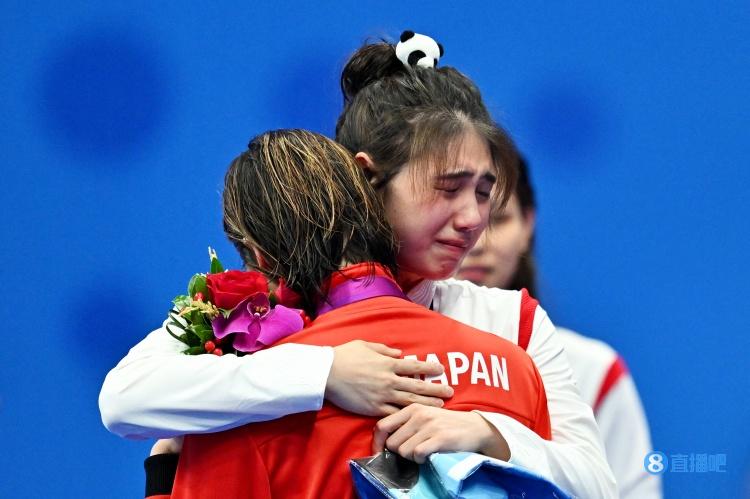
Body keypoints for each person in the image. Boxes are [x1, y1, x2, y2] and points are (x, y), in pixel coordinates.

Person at [100, 33, 616, 498]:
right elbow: (123, 401)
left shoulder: (513, 322)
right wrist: (325, 372)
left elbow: (598, 485)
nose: (472, 218)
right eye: (449, 188)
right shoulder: (256, 311)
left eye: (485, 193)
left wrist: (488, 434)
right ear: (367, 177)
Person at [165, 129, 552, 497]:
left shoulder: (234, 413)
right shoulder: (517, 369)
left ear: (262, 258)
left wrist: (163, 473)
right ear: (374, 212)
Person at [457, 157, 662, 498]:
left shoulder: (595, 370)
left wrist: (493, 436)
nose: (479, 241)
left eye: (499, 219)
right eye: (459, 217)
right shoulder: (388, 356)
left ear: (527, 225)